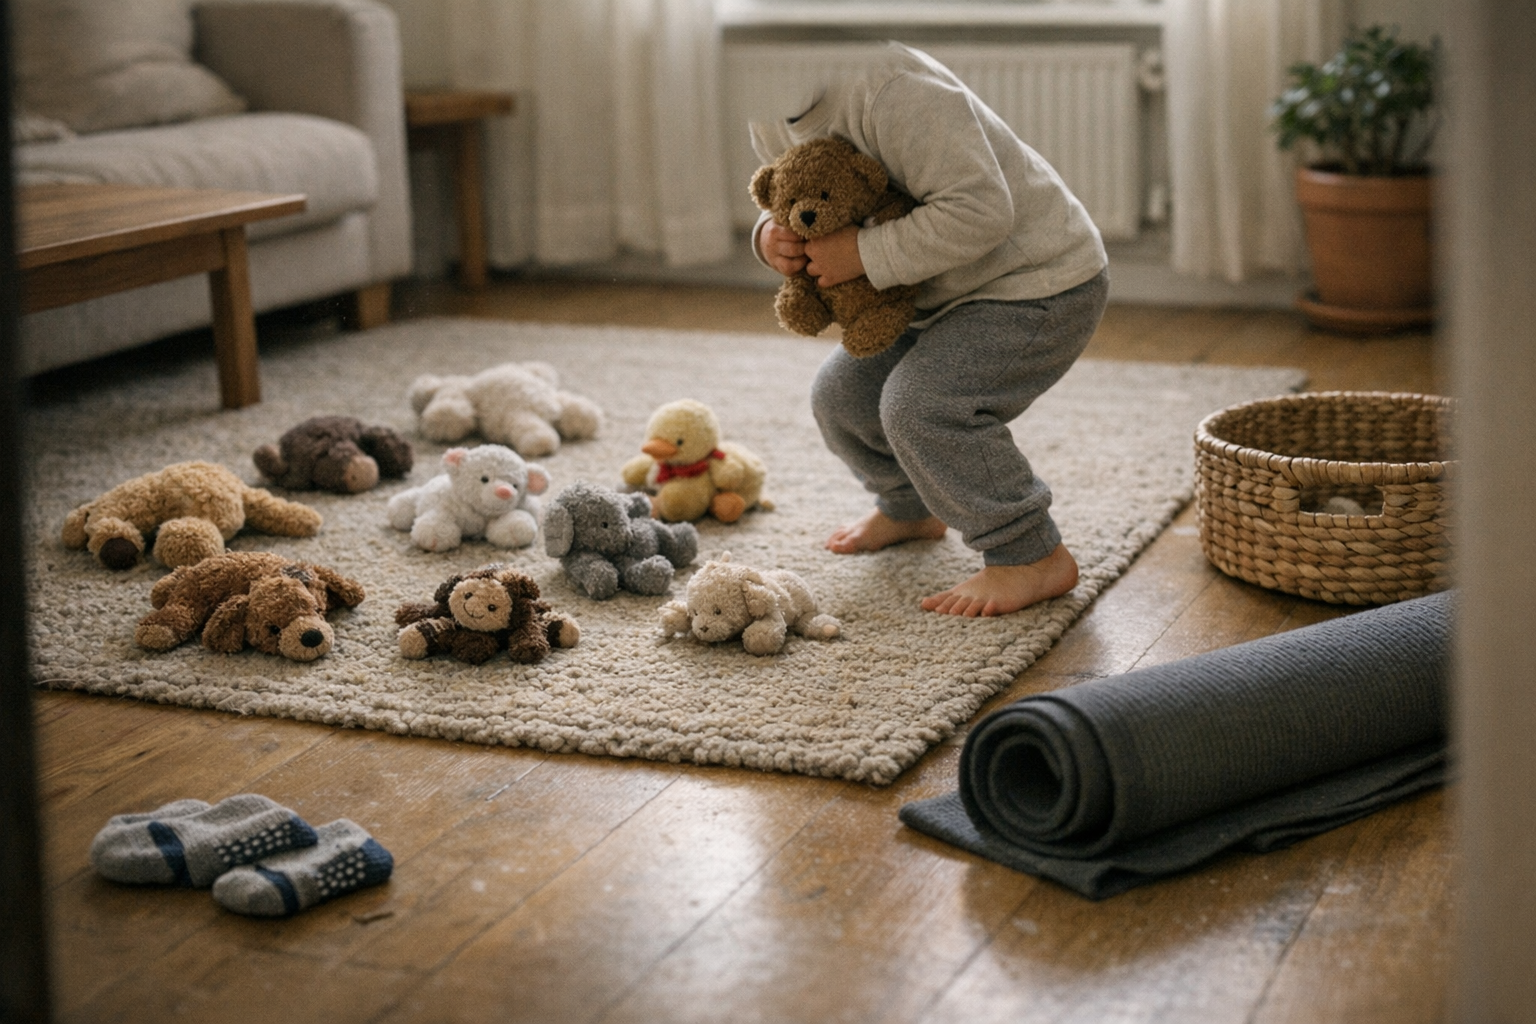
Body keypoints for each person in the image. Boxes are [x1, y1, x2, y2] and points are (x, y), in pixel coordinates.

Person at [750, 42, 1110, 618]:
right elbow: (783, 194)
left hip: (1035, 281)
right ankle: (910, 507)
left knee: (921, 405)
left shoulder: (892, 89)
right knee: (840, 398)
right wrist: (772, 240)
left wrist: (861, 252)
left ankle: (1030, 554)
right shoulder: (767, 100)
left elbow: (983, 212)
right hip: (931, 294)